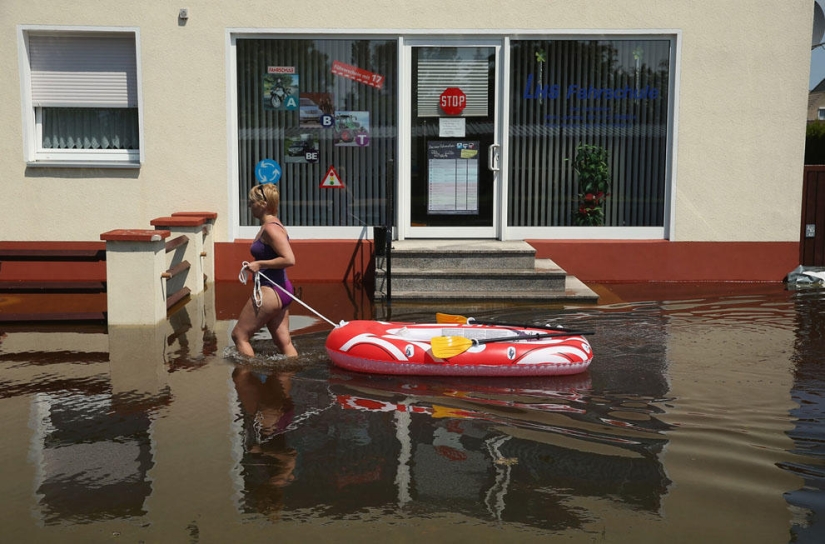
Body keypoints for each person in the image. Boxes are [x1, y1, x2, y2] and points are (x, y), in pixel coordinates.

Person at [232, 183, 298, 357]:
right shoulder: (273, 225)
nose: (249, 206)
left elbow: (289, 259)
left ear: (262, 204)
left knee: (239, 335)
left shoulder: (270, 229)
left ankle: (246, 380)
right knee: (283, 342)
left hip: (272, 290)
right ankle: (289, 376)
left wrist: (259, 264)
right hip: (282, 290)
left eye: (251, 202)